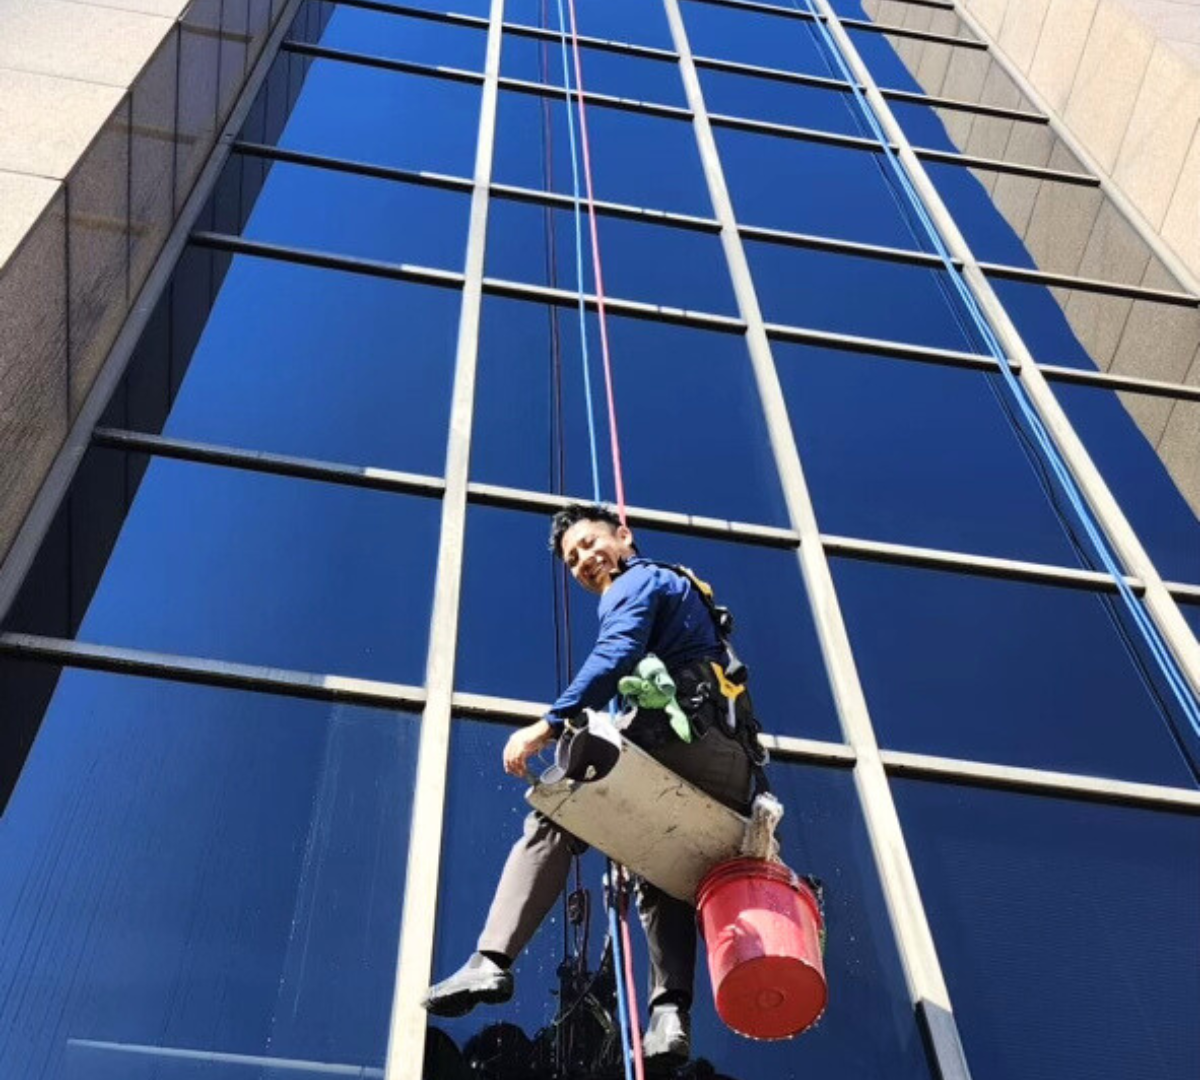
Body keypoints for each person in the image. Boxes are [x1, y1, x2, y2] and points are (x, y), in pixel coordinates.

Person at [423, 503, 767, 1066]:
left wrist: (548, 723)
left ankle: (491, 959)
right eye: (573, 558)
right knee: (658, 853)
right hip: (729, 763)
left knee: (556, 808)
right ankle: (669, 1014)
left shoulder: (636, 581)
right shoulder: (685, 593)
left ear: (624, 536)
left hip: (681, 730)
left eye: (589, 544)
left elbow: (616, 652)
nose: (584, 560)